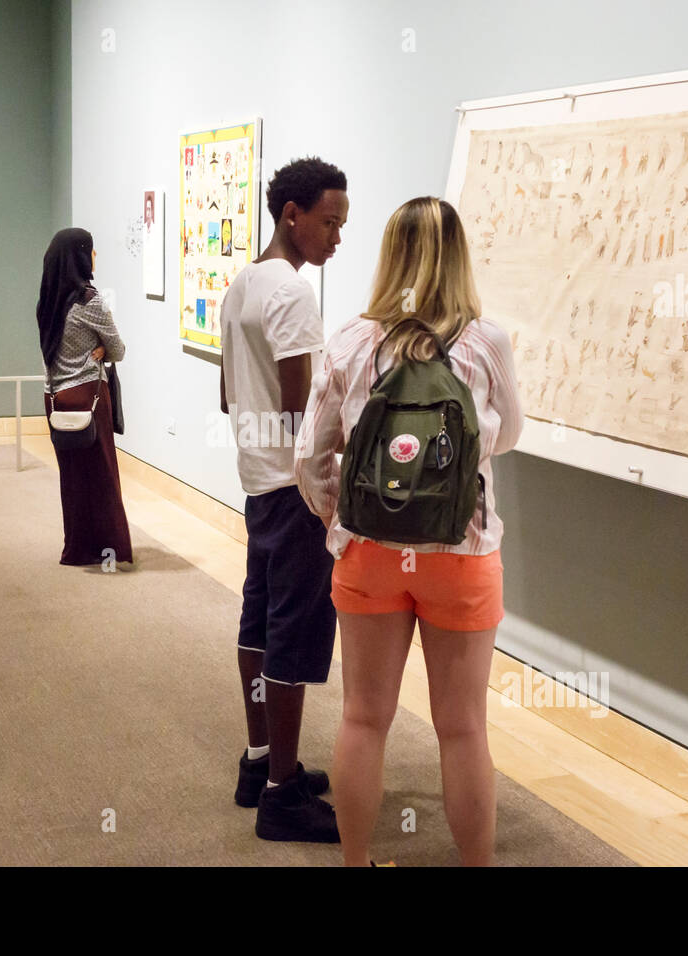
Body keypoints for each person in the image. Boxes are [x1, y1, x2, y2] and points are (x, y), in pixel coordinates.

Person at [294, 196, 523, 866]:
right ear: (459, 258)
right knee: (463, 729)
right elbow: (507, 435)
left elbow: (309, 458)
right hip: (463, 554)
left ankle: (357, 862)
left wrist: (341, 519)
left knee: (364, 719)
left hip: (369, 557)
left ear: (389, 255)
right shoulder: (487, 342)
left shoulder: (352, 341)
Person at [219, 156, 349, 842]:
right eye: (328, 223)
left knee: (259, 621)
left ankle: (263, 760)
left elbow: (226, 396)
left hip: (254, 480)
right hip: (294, 491)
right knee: (292, 637)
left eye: (341, 226)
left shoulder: (240, 284)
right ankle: (281, 798)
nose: (335, 239)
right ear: (291, 215)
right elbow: (305, 411)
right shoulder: (295, 295)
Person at [36, 227, 133, 568]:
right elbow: (119, 350)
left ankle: (76, 548)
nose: (95, 257)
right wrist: (105, 347)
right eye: (90, 250)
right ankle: (110, 548)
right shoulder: (89, 302)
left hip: (54, 398)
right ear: (79, 255)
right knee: (103, 474)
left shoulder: (48, 301)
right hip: (88, 397)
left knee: (72, 479)